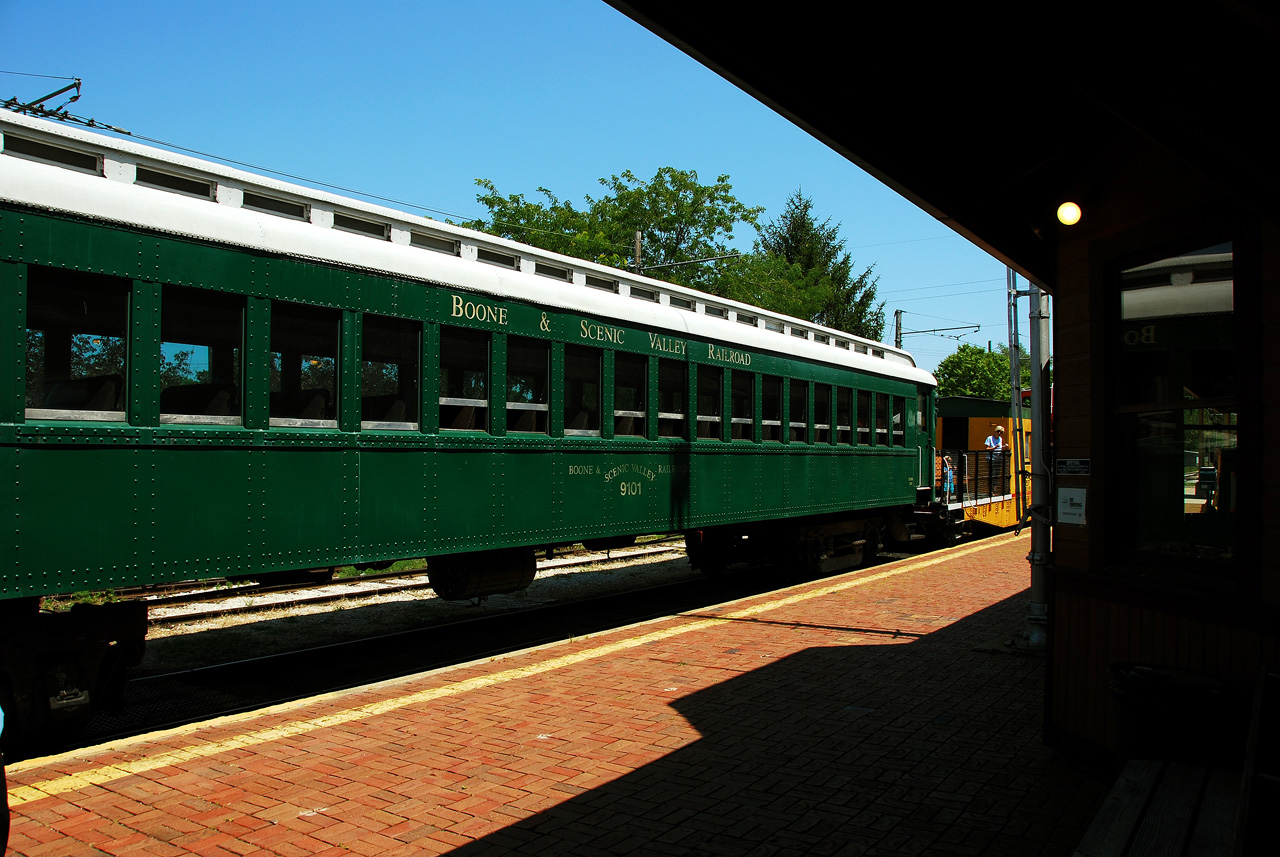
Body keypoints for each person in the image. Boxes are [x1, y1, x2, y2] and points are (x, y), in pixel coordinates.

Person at [984, 425, 1006, 496]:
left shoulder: (1000, 439)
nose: (999, 433)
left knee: (997, 474)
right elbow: (986, 448)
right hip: (991, 458)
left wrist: (1003, 446)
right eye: (998, 431)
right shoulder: (990, 438)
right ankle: (990, 491)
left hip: (998, 458)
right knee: (992, 474)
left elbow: (999, 448)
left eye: (1001, 432)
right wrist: (994, 447)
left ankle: (995, 490)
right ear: (995, 431)